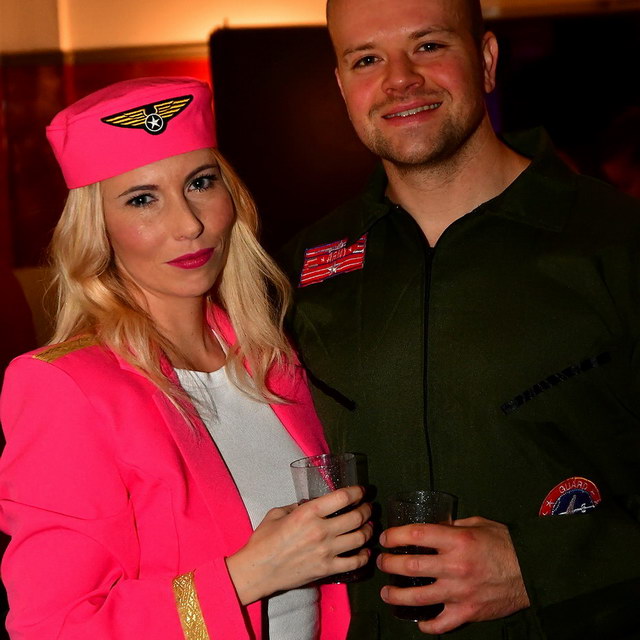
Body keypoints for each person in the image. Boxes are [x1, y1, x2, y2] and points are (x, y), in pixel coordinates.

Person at [280, 0, 640, 638]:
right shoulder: (296, 274)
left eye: (428, 46)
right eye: (367, 59)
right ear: (341, 85)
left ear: (488, 60)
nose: (399, 79)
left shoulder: (616, 240)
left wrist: (537, 566)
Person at [0, 76, 373, 640]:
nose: (189, 224)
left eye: (201, 183)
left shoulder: (272, 356)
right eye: (142, 199)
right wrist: (246, 576)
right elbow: (52, 627)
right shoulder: (65, 388)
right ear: (98, 229)